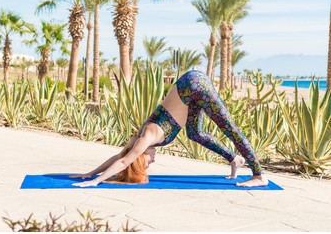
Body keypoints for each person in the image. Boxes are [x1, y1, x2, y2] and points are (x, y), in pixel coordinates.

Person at [71, 70, 268, 188]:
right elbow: (120, 156)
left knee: (231, 130)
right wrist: (91, 173)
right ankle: (234, 158)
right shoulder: (139, 138)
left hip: (194, 86)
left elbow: (124, 161)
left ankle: (259, 175)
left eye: (146, 163)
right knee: (195, 133)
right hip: (189, 89)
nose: (152, 161)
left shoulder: (145, 138)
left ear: (140, 156)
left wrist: (96, 181)